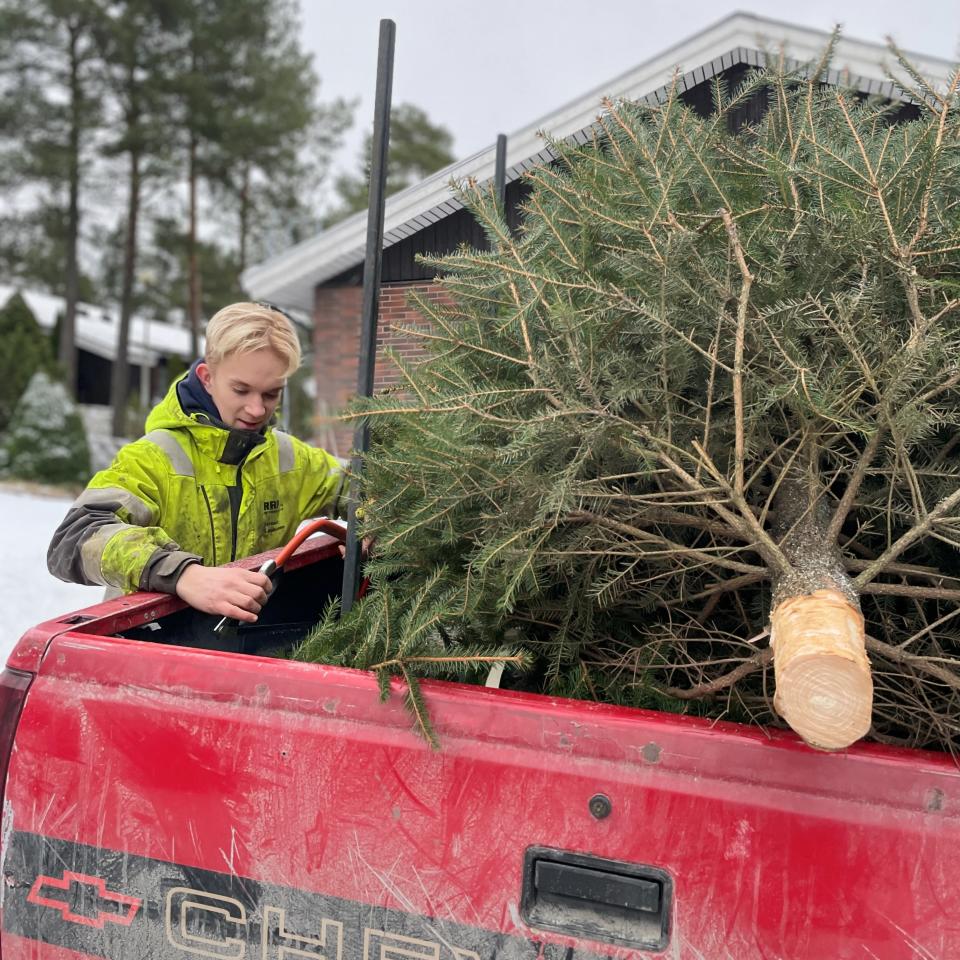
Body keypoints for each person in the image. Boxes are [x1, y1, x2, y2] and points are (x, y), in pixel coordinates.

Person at [48, 301, 345, 625]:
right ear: (206, 377)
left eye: (271, 394)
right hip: (150, 649)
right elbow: (75, 539)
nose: (257, 409)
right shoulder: (156, 457)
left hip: (253, 648)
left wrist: (370, 522)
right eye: (241, 390)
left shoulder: (291, 459)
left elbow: (362, 485)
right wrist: (182, 574)